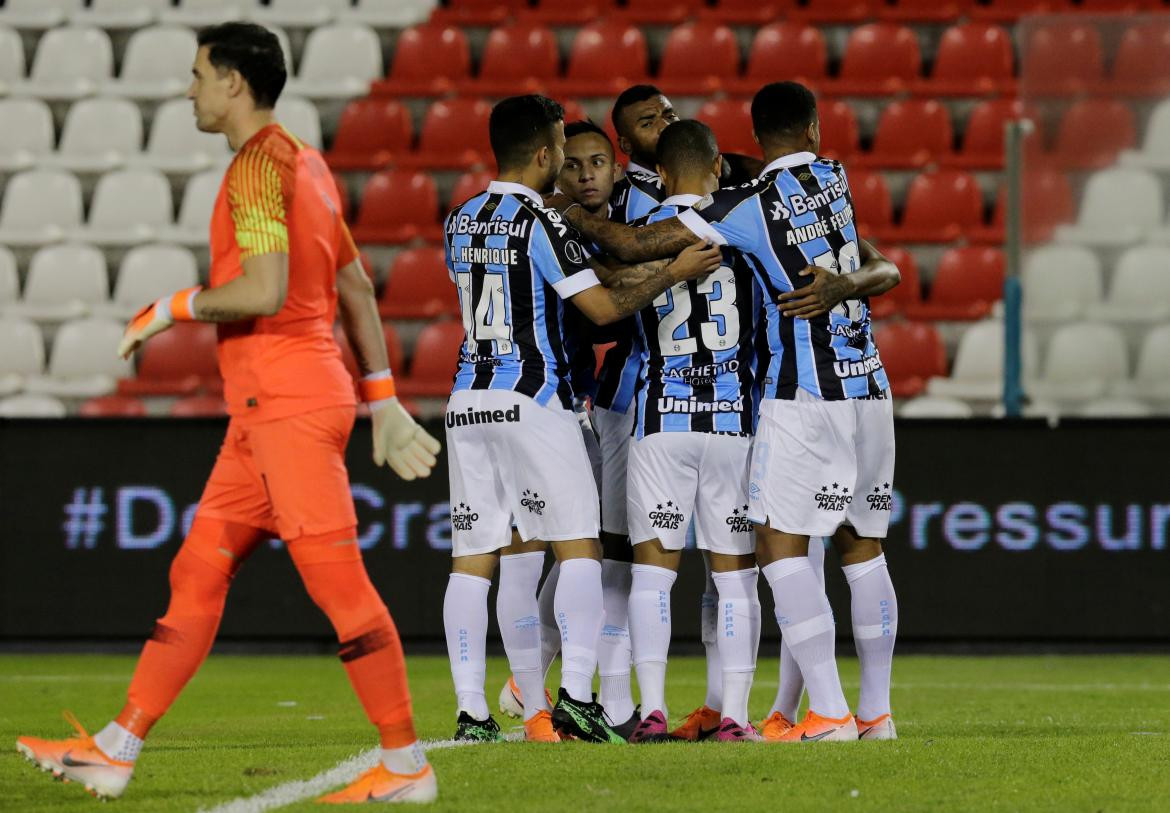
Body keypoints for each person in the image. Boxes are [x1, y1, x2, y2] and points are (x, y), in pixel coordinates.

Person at [16, 22, 443, 804]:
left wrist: (170, 306)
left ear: (234, 85)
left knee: (340, 586)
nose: (189, 90)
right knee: (197, 568)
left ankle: (408, 763)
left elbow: (264, 292)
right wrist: (381, 398)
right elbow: (353, 285)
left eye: (198, 75)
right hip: (267, 410)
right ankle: (115, 747)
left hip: (286, 403)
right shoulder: (306, 164)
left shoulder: (254, 170)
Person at [554, 81, 901, 743]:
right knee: (856, 549)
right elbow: (880, 265)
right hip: (859, 385)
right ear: (815, 131)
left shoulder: (737, 214)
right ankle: (860, 712)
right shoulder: (835, 180)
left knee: (764, 548)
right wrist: (845, 283)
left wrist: (574, 216)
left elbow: (629, 253)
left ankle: (814, 711)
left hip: (770, 398)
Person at [439, 94, 722, 745]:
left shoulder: (460, 219)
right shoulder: (539, 222)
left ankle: (474, 712)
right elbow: (601, 308)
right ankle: (574, 699)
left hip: (467, 399)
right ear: (544, 154)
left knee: (478, 558)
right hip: (534, 400)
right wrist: (672, 272)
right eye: (563, 148)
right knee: (580, 549)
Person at [619, 120, 765, 744]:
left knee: (653, 574)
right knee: (734, 577)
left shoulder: (645, 237)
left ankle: (651, 708)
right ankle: (733, 715)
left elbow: (615, 302)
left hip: (660, 420)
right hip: (733, 421)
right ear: (712, 170)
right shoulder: (746, 232)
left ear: (663, 172)